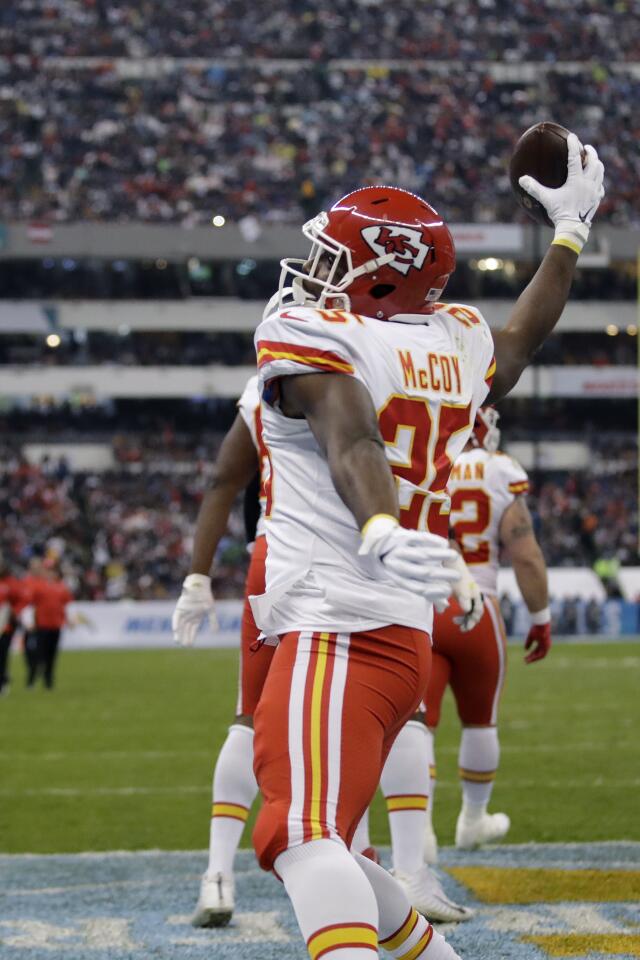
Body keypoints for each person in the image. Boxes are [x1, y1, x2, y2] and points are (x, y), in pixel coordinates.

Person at [248, 137, 603, 960]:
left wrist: (378, 525)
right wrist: (570, 237)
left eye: (333, 256)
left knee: (297, 837)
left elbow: (353, 442)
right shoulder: (453, 339)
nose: (313, 270)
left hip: (338, 617)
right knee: (325, 840)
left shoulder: (317, 333)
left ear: (378, 273)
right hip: (397, 627)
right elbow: (519, 341)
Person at [423, 407, 551, 862]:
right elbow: (526, 554)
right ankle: (472, 820)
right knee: (481, 719)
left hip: (425, 603)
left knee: (419, 725)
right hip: (480, 603)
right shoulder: (499, 470)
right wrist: (540, 615)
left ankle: (418, 834)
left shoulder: (424, 457)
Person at [172, 375, 273, 927]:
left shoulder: (273, 374)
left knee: (250, 718)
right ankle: (378, 864)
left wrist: (198, 577)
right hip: (355, 562)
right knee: (363, 714)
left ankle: (217, 873)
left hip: (277, 557)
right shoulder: (383, 355)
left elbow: (222, 480)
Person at [27, 562, 74, 689]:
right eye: (49, 571)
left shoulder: (61, 587)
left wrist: (68, 620)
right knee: (39, 654)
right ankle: (32, 679)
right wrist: (30, 621)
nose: (51, 573)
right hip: (42, 625)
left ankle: (48, 681)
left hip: (56, 625)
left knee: (52, 655)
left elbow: (65, 606)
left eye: (53, 571)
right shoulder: (38, 586)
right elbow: (31, 605)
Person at [0, 558, 27, 696]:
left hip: (5, 626)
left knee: (2, 654)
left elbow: (22, 600)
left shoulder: (10, 582)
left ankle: (3, 682)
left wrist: (14, 612)